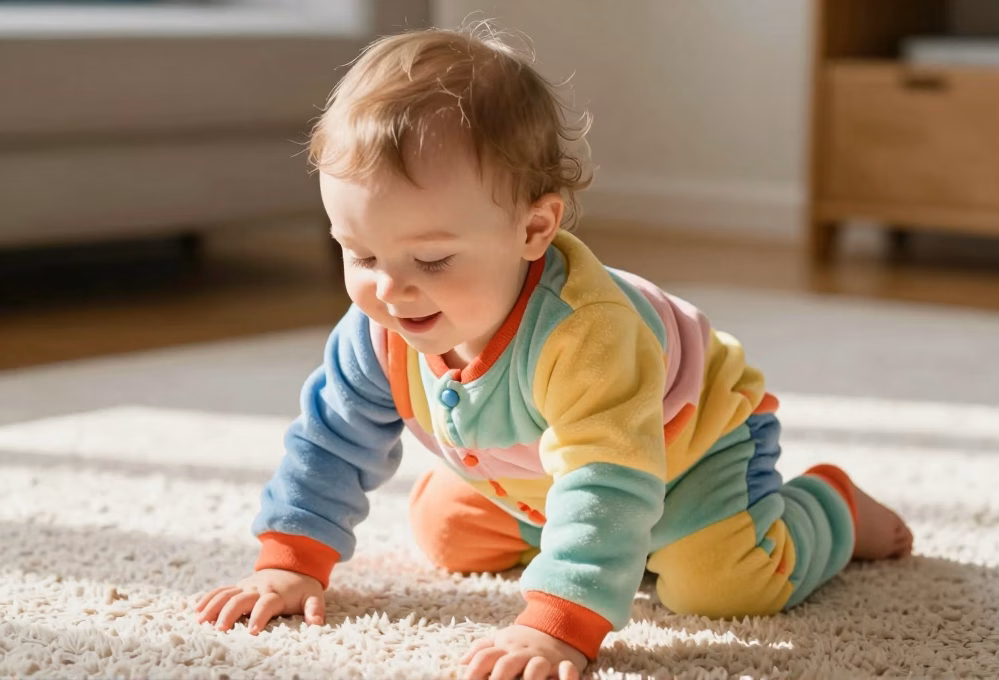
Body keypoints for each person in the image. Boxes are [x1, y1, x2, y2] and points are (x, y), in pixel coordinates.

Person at [194, 25, 913, 680]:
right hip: (536, 470)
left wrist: (559, 625)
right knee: (445, 535)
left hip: (686, 445)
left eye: (433, 260)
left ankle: (834, 508)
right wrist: (290, 562)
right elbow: (331, 442)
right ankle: (566, 531)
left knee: (721, 586)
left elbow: (608, 481)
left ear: (535, 229)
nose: (390, 288)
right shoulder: (375, 328)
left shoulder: (583, 336)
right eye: (358, 252)